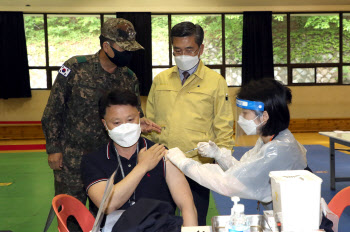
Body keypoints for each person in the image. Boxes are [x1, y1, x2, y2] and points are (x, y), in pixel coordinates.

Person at [41, 18, 161, 210]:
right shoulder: (75, 68)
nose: (128, 53)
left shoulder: (129, 77)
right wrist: (53, 148)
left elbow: (135, 113)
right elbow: (54, 110)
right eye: (123, 48)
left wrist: (140, 124)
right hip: (72, 159)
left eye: (131, 49)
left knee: (106, 213)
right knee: (72, 214)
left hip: (109, 161)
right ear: (106, 45)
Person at [167, 78, 308, 209]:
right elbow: (243, 171)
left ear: (264, 116)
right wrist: (219, 155)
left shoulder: (278, 149)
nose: (241, 118)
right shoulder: (270, 140)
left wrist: (183, 162)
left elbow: (227, 183)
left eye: (245, 113)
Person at [145, 21, 234, 225]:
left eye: (189, 49)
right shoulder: (160, 80)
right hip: (162, 163)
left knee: (194, 221)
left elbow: (223, 125)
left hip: (197, 167)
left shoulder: (215, 81)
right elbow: (149, 124)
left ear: (201, 49)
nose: (182, 55)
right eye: (177, 50)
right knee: (159, 221)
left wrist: (224, 160)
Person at [81, 90, 197, 230]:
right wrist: (143, 166)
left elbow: (187, 204)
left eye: (130, 120)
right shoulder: (94, 160)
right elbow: (107, 205)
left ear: (139, 117)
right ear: (105, 124)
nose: (125, 127)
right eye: (116, 122)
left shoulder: (161, 153)